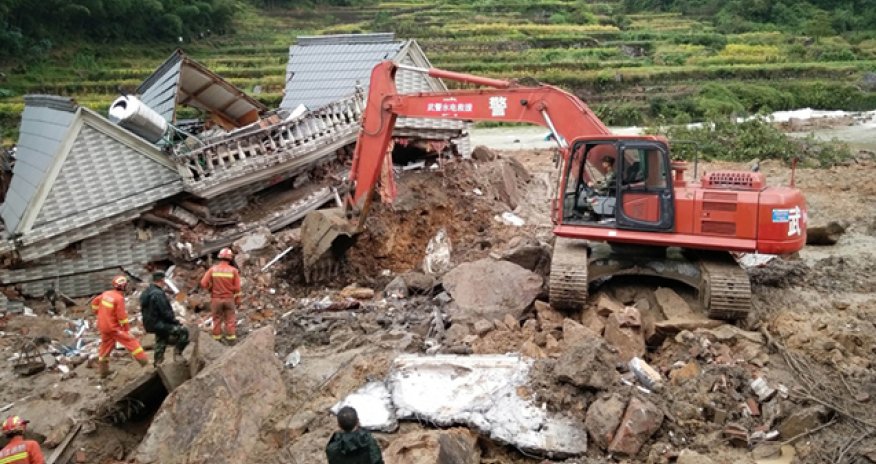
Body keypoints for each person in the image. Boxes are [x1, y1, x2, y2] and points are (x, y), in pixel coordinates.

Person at [91, 275, 149, 378]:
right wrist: (127, 330)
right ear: (122, 287)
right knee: (132, 342)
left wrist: (98, 313)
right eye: (126, 285)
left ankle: (103, 372)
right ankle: (146, 364)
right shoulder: (119, 298)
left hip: (103, 326)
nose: (128, 287)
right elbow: (122, 317)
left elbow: (94, 302)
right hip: (113, 328)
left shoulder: (106, 293)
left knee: (105, 347)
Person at [140, 271, 189, 367]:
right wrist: (176, 321)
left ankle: (158, 362)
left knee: (161, 338)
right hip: (159, 323)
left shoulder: (146, 292)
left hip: (151, 324)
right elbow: (165, 312)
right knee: (183, 331)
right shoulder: (158, 294)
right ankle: (178, 355)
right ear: (162, 280)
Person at [200, 248, 241, 344]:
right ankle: (231, 341)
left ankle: (216, 341)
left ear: (220, 257)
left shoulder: (213, 269)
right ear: (230, 258)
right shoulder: (234, 271)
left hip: (216, 299)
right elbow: (237, 288)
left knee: (217, 320)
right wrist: (238, 300)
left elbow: (203, 283)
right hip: (229, 299)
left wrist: (210, 288)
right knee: (230, 320)